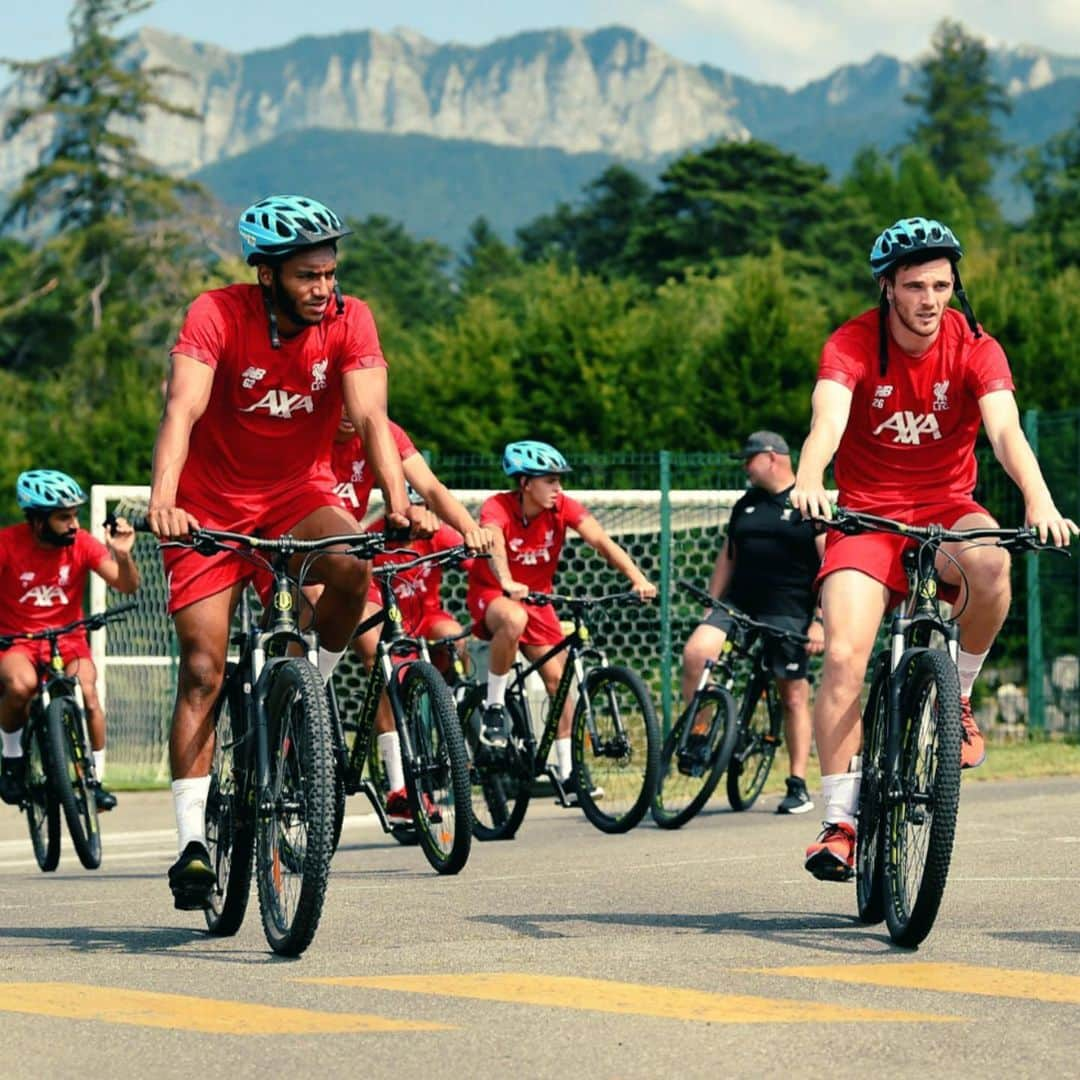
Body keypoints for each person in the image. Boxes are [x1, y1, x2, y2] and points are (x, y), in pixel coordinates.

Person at [148, 194, 418, 911]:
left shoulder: (350, 319)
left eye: (328, 272)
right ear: (265, 274)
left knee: (353, 565)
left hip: (298, 494)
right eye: (306, 275)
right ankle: (192, 847)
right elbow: (183, 408)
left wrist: (394, 498)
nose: (323, 287)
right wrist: (164, 501)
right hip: (207, 506)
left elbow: (370, 414)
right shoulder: (216, 313)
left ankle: (313, 688)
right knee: (204, 668)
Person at [791, 216, 1077, 881]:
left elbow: (1005, 432)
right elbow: (826, 420)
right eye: (915, 285)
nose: (930, 300)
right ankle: (839, 822)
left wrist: (1039, 500)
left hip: (948, 512)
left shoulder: (977, 346)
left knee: (992, 563)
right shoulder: (852, 344)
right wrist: (809, 479)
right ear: (887, 287)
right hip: (866, 518)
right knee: (841, 656)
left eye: (942, 285)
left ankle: (960, 701)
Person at [328, 411, 522, 823]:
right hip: (349, 577)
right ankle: (397, 783)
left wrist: (480, 541)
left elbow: (435, 491)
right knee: (374, 654)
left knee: (453, 636)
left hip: (424, 618)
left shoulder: (428, 520)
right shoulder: (376, 534)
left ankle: (449, 706)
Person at [467, 440, 657, 805]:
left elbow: (601, 541)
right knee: (513, 616)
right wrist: (506, 580)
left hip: (539, 600)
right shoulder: (498, 506)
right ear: (525, 483)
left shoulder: (563, 508)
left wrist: (637, 578)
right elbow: (493, 544)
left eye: (559, 481)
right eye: (550, 480)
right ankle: (494, 707)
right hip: (494, 594)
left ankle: (569, 774)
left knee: (561, 684)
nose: (559, 488)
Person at [680, 431, 824, 815]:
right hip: (739, 604)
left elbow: (829, 564)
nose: (745, 467)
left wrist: (821, 621)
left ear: (773, 457)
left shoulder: (809, 502)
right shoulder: (745, 504)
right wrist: (712, 606)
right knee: (697, 652)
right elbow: (728, 556)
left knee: (793, 695)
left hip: (788, 609)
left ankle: (797, 783)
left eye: (749, 459)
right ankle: (698, 737)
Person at [0, 470, 139, 811]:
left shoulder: (82, 544)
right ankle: (12, 757)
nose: (74, 524)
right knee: (21, 686)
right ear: (37, 520)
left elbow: (126, 585)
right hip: (18, 641)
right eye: (64, 517)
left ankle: (94, 779)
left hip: (69, 640)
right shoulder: (7, 543)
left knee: (87, 694)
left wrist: (122, 554)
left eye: (75, 515)